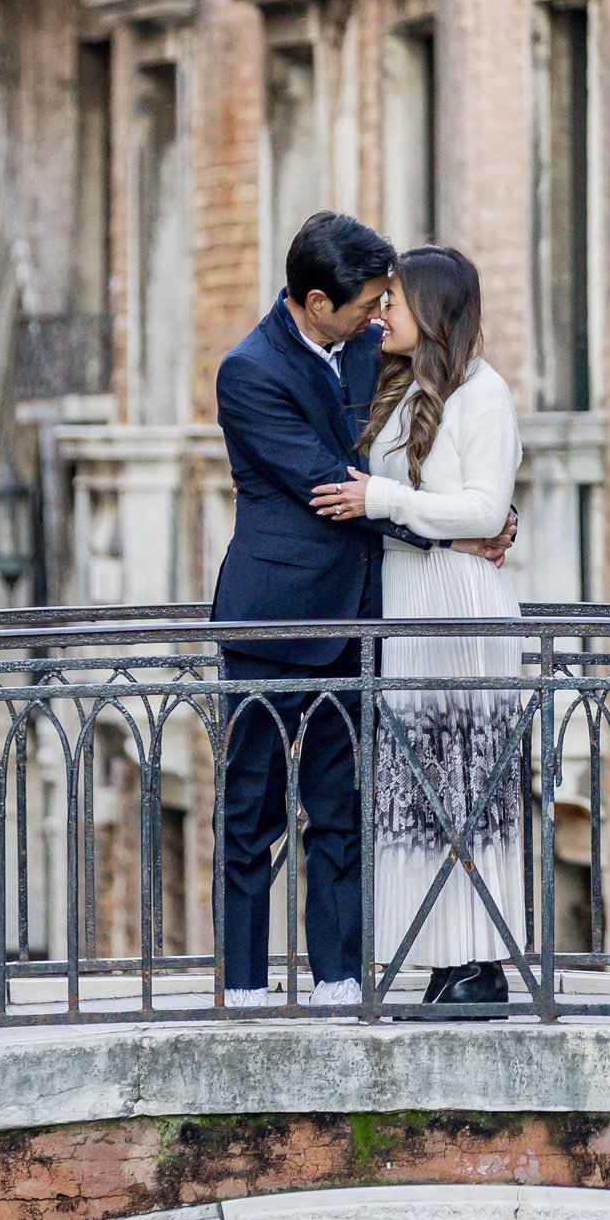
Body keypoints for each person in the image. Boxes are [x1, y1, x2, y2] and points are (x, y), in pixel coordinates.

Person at [311, 247, 524, 1013]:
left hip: (460, 609)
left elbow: (484, 507)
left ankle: (480, 963)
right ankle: (444, 957)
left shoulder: (483, 393)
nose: (380, 314)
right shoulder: (401, 388)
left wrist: (385, 500)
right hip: (410, 605)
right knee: (423, 792)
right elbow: (441, 511)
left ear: (431, 309)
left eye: (393, 301)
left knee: (466, 788)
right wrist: (400, 508)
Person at [210, 210, 401, 1009]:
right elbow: (327, 484)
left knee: (341, 808)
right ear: (318, 301)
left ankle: (339, 977)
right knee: (250, 815)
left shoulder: (373, 347)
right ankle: (244, 984)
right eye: (368, 301)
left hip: (358, 618)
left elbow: (412, 449)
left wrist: (483, 510)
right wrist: (451, 527)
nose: (380, 311)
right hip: (272, 622)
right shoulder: (248, 370)